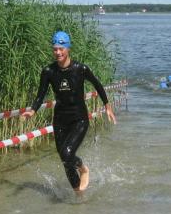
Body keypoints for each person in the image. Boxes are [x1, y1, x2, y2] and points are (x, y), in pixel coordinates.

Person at [22, 30, 117, 192]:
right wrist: (32, 111)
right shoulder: (48, 71)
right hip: (60, 120)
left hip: (79, 119)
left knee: (67, 154)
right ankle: (78, 193)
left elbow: (97, 85)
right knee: (65, 159)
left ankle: (83, 169)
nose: (58, 52)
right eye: (55, 49)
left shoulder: (80, 68)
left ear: (68, 49)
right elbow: (40, 95)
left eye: (61, 49)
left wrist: (107, 106)